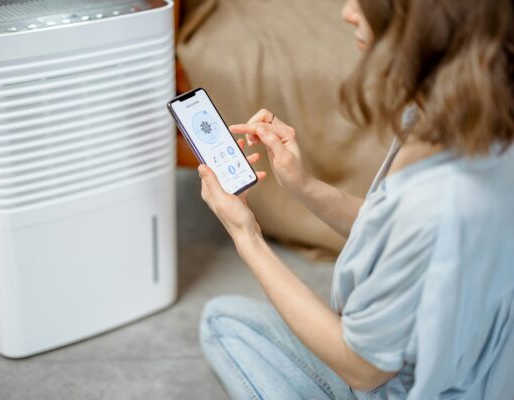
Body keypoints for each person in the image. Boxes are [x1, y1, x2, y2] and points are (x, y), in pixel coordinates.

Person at [196, 0, 514, 398]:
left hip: (412, 386)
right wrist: (304, 185)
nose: (348, 11)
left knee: (221, 320)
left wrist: (247, 237)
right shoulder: (468, 121)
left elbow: (364, 369)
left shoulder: (437, 199)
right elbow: (394, 234)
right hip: (475, 368)